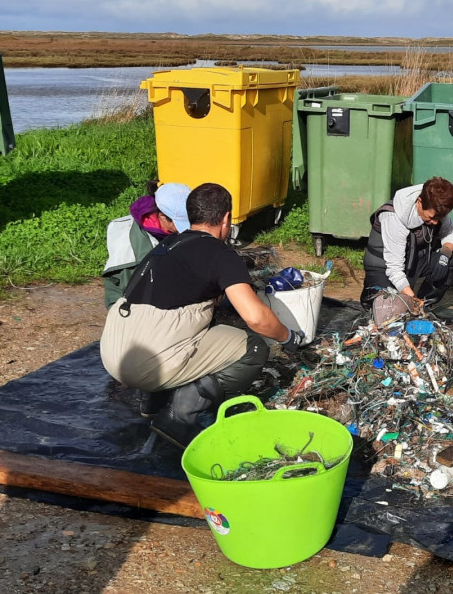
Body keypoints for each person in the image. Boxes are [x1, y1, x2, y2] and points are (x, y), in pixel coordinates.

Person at [100, 183, 305, 448]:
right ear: (226, 219)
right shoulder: (220, 254)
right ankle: (179, 417)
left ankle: (152, 402)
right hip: (147, 365)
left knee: (190, 327)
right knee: (252, 347)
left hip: (114, 353)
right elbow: (257, 318)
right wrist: (289, 338)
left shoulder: (165, 246)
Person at [360, 177, 453, 310]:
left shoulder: (437, 206)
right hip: (384, 267)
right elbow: (394, 269)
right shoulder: (393, 217)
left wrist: (445, 254)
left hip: (415, 261)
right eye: (431, 218)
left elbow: (450, 232)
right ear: (419, 202)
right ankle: (372, 293)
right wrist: (412, 299)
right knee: (388, 312)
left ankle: (425, 305)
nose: (435, 222)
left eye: (438, 218)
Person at [102, 181, 191, 309]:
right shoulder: (134, 250)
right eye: (180, 224)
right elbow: (130, 294)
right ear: (162, 217)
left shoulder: (164, 222)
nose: (182, 230)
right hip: (130, 307)